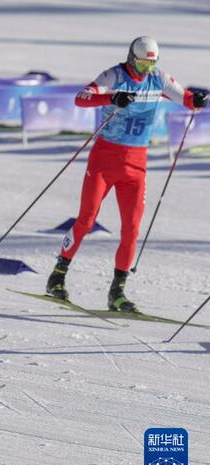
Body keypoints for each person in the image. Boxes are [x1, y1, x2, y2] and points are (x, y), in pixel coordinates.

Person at [45, 36, 208, 312]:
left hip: (136, 163)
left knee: (131, 230)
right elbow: (81, 98)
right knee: (86, 219)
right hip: (105, 159)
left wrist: (198, 99)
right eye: (142, 64)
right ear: (132, 58)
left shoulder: (159, 78)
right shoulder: (114, 75)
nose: (145, 70)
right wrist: (112, 97)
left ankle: (117, 292)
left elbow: (188, 99)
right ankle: (58, 275)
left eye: (151, 64)